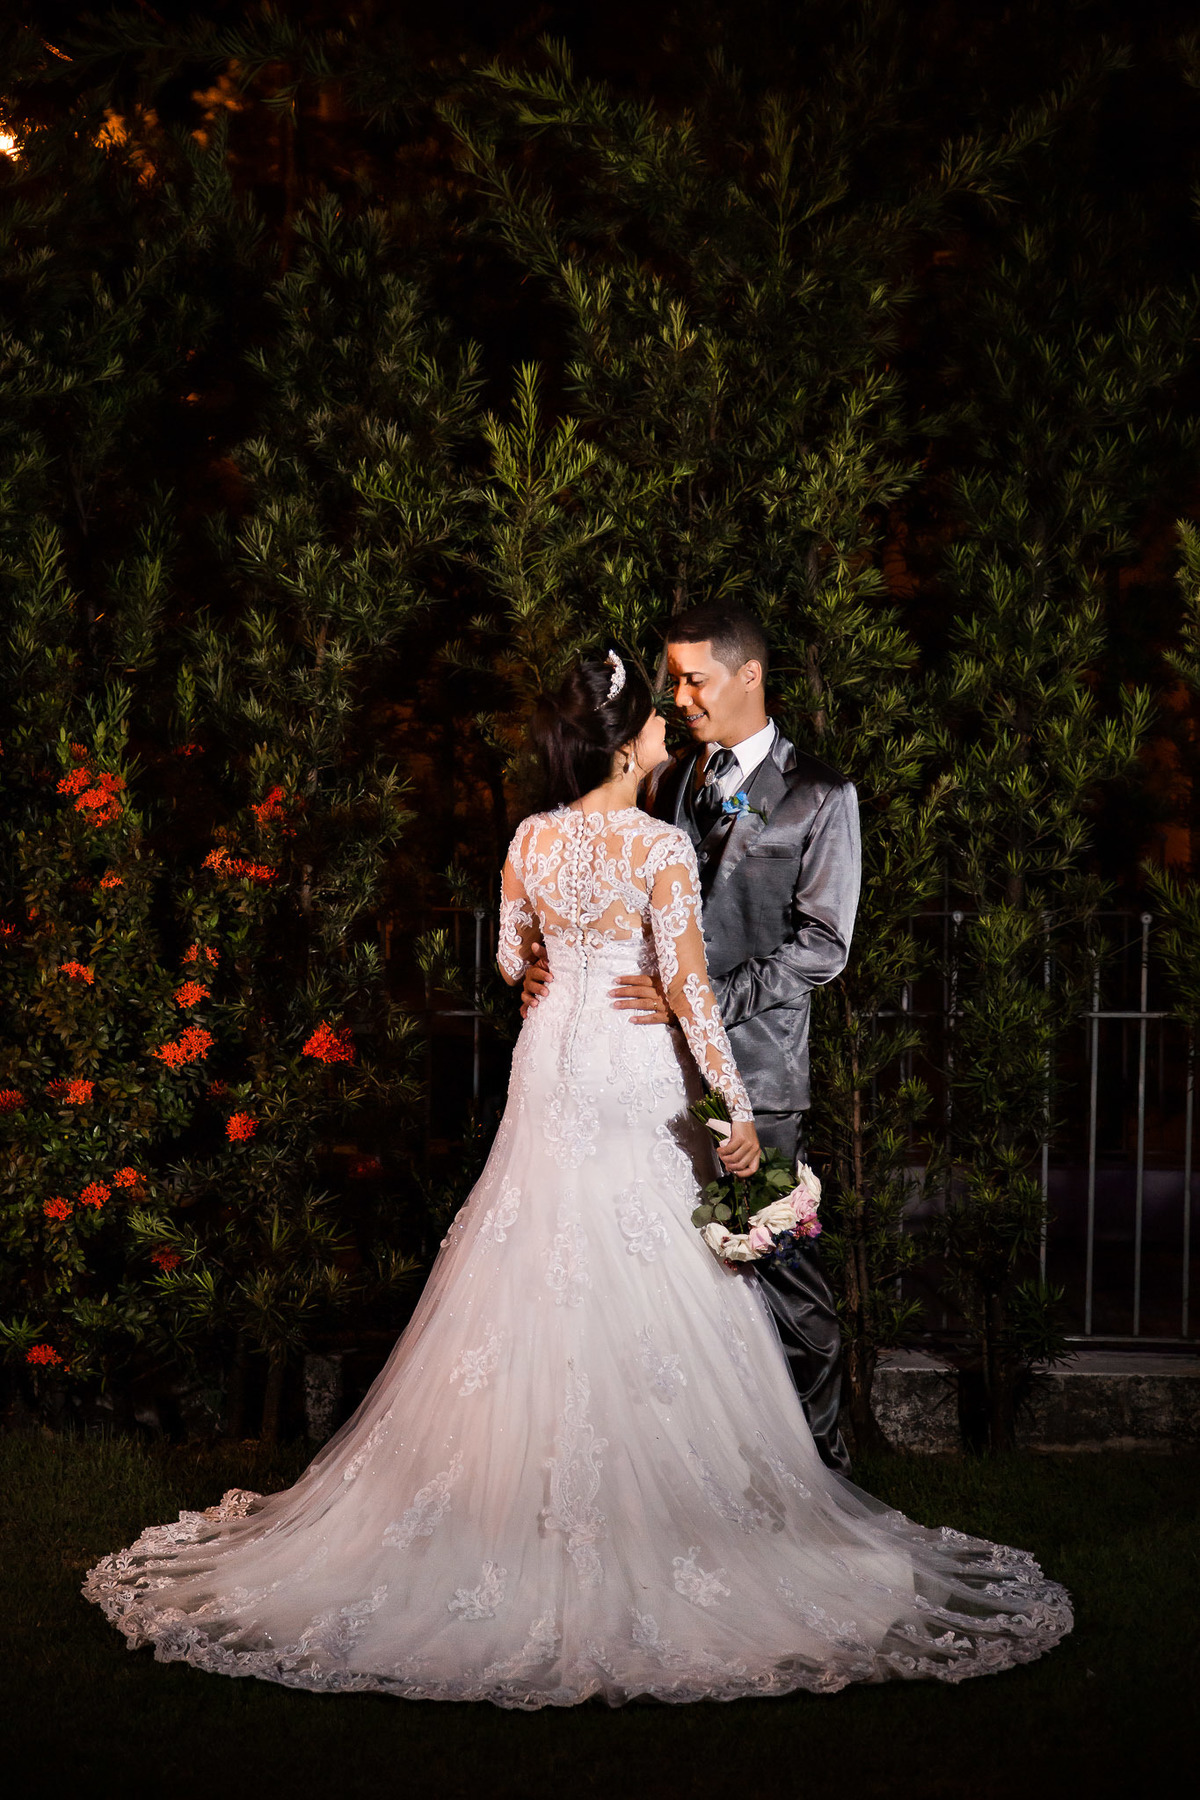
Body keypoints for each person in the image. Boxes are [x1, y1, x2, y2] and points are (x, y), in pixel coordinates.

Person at [84, 652, 1071, 1707]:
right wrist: (738, 1119)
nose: (666, 729)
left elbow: (512, 958)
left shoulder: (529, 839)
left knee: (528, 1242)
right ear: (620, 745)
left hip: (550, 1062)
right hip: (628, 1065)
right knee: (635, 1255)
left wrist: (553, 966)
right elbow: (693, 1000)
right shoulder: (658, 847)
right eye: (651, 719)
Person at [522, 605, 857, 1473]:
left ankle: (820, 1471)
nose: (680, 698)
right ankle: (687, 1472)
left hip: (753, 1071)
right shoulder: (670, 783)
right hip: (643, 1079)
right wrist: (536, 964)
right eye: (671, 681)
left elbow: (823, 946)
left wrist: (691, 998)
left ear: (749, 675)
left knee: (781, 1278)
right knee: (665, 1289)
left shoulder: (821, 795)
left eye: (694, 679)